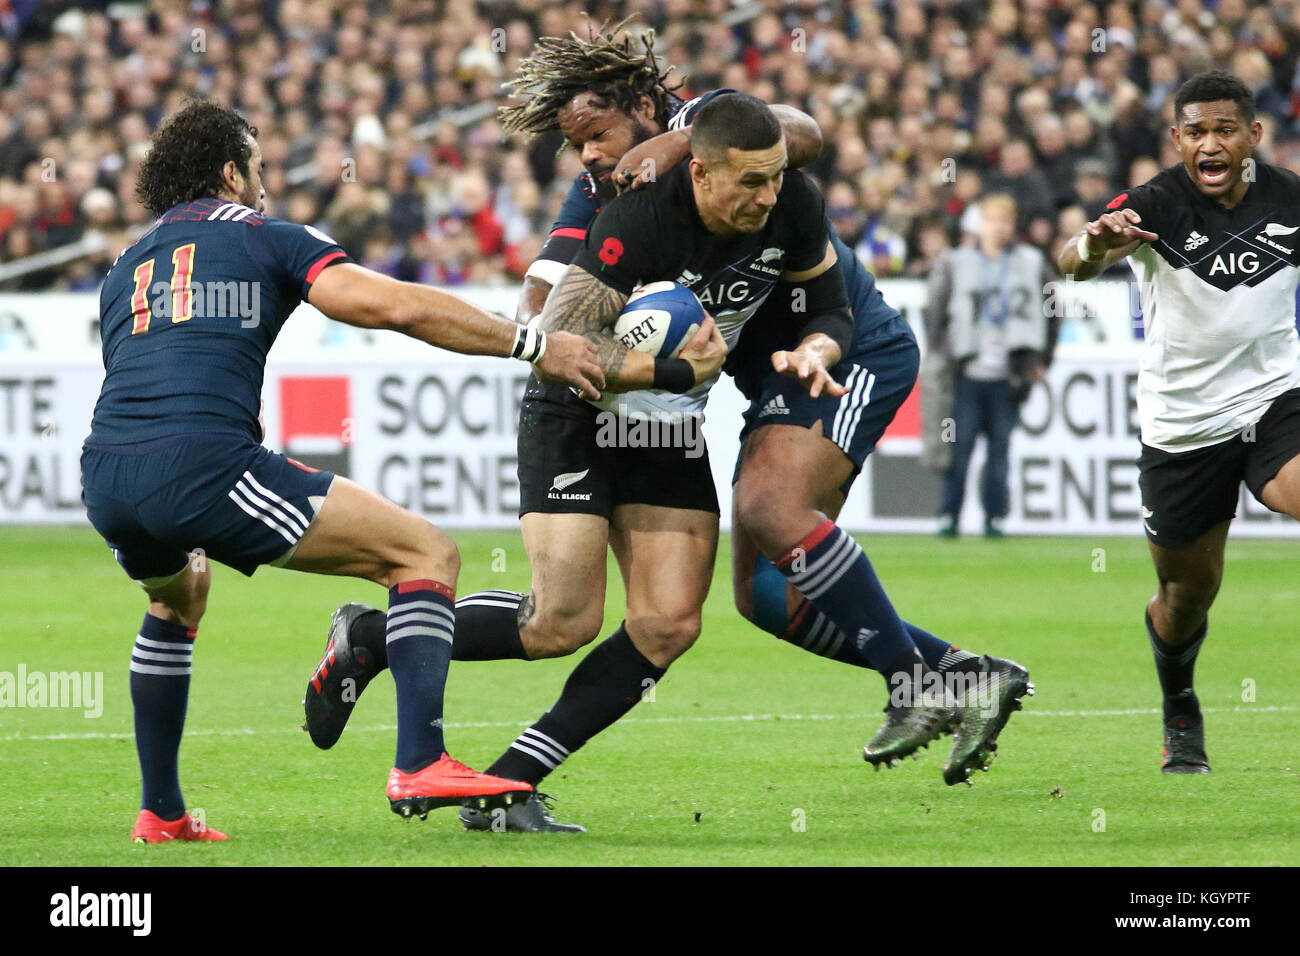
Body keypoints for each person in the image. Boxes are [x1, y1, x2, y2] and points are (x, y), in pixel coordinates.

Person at [304, 34, 1031, 832]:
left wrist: (683, 139)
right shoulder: (608, 204)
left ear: (652, 117)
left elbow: (806, 141)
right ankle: (374, 637)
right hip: (600, 409)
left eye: (600, 136)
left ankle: (507, 786)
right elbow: (543, 327)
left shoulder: (741, 153)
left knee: (672, 619)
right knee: (588, 619)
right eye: (575, 144)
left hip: (737, 396)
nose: (587, 156)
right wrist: (663, 366)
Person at [79, 99, 604, 842]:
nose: (263, 183)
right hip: (203, 464)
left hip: (106, 475)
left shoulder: (126, 265)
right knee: (425, 553)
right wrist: (530, 345)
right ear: (232, 172)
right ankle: (421, 760)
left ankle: (161, 812)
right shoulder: (269, 238)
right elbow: (386, 305)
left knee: (178, 599)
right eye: (257, 167)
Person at [1059, 70, 1300, 773]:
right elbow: (1071, 259)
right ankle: (1180, 706)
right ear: (1177, 139)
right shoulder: (1151, 203)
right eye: (1196, 131)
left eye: (1225, 129)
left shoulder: (1290, 198)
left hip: (1274, 400)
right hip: (1182, 426)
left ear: (1253, 134)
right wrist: (1099, 247)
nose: (1211, 143)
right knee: (1185, 597)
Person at [925, 193, 1058, 538]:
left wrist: (1041, 359)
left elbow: (1052, 308)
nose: (999, 228)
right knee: (960, 448)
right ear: (980, 224)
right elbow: (935, 313)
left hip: (1008, 374)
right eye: (992, 220)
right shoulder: (956, 262)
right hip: (967, 372)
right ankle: (948, 515)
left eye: (1004, 221)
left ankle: (994, 518)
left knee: (1000, 452)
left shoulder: (1031, 261)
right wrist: (942, 353)